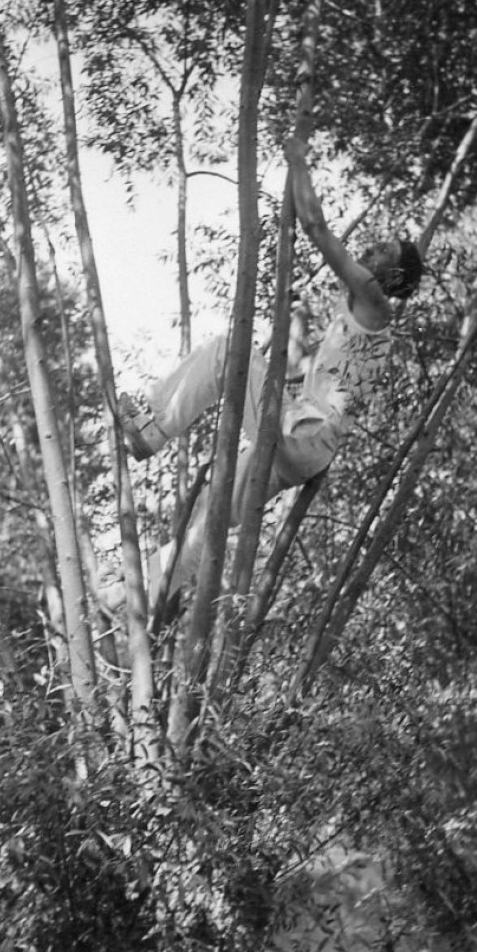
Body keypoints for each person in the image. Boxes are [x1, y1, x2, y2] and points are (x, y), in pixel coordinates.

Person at [111, 139, 423, 606]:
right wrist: (289, 342)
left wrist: (298, 161)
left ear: (393, 278)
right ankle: (140, 594)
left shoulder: (375, 302)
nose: (371, 249)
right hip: (305, 447)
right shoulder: (364, 325)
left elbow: (317, 227)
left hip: (301, 433)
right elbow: (310, 377)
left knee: (224, 351)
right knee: (211, 507)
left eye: (382, 251)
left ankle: (150, 429)